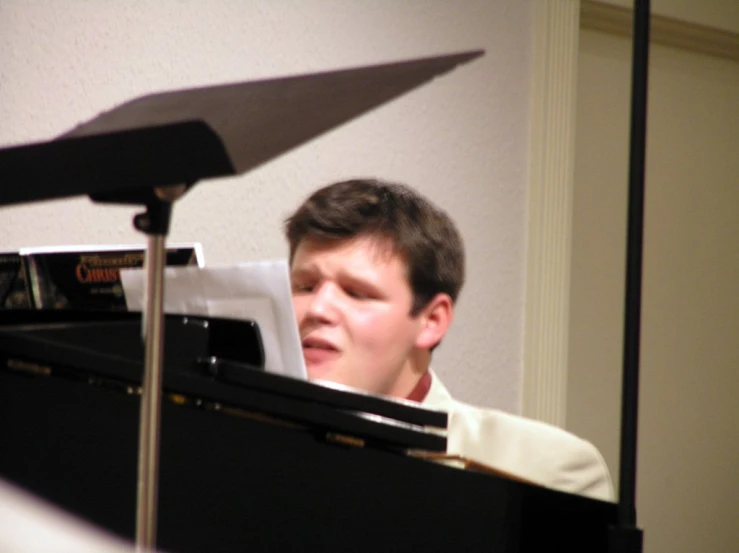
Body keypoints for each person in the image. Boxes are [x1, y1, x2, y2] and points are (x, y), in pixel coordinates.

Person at [285, 178, 613, 502]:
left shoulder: (547, 471)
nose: (317, 309)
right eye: (304, 286)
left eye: (357, 293)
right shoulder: (244, 437)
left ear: (432, 320)